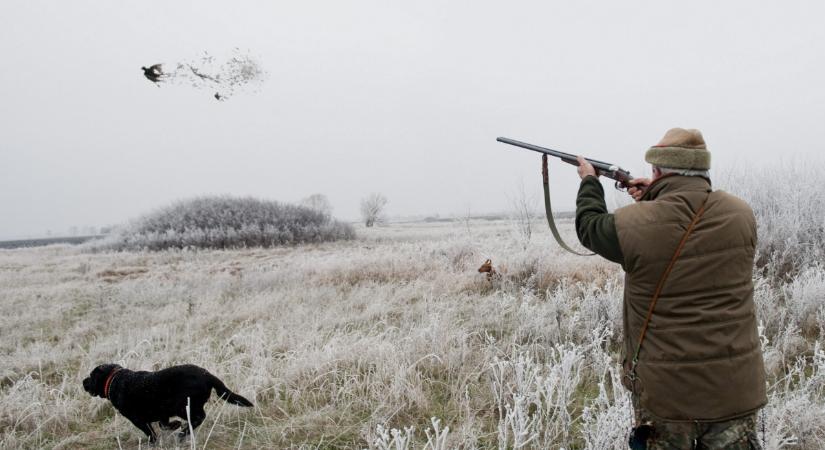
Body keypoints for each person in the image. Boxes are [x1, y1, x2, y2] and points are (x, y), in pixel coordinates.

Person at [574, 128, 766, 449]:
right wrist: (659, 193)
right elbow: (686, 212)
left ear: (658, 171)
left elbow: (589, 227)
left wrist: (589, 181)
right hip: (735, 391)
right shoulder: (741, 213)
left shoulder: (636, 222)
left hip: (667, 398)